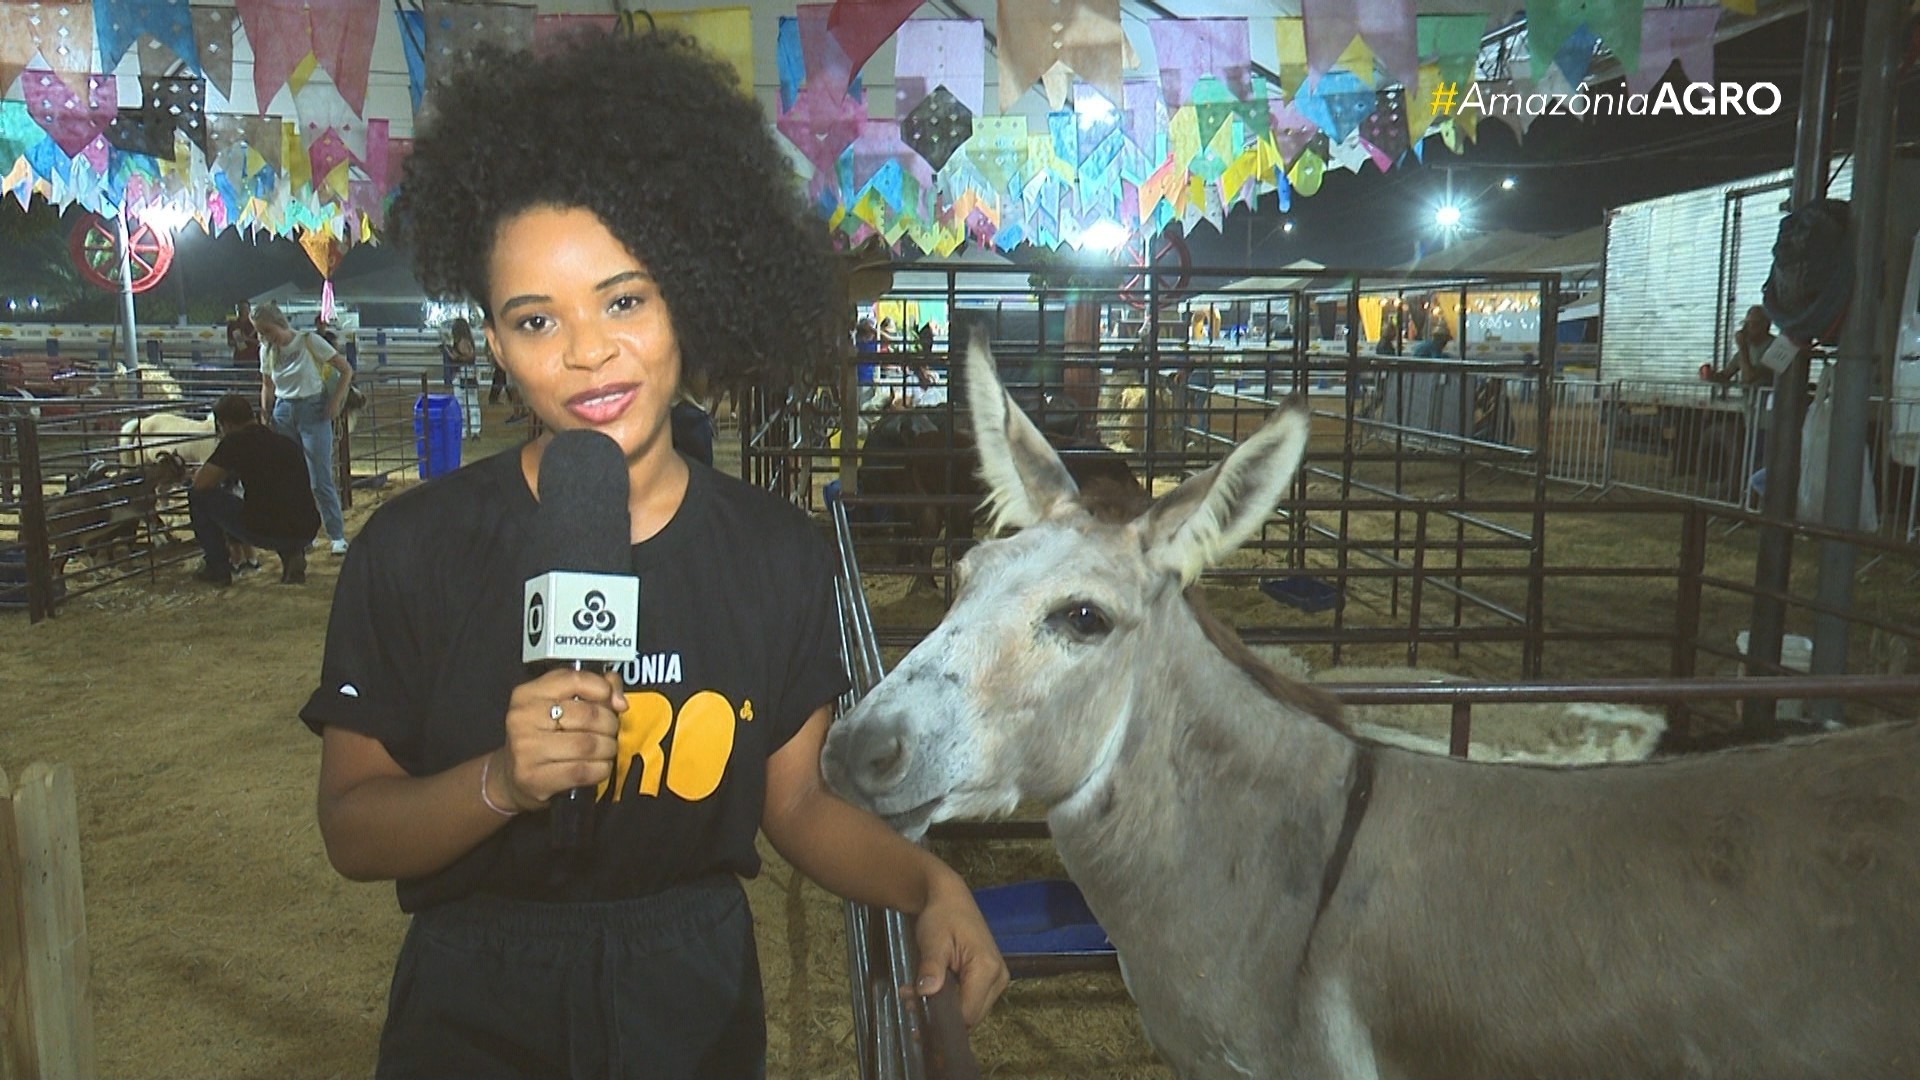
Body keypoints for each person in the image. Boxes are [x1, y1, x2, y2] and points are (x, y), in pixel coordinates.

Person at [303, 29, 1008, 1079]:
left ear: (691, 296)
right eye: (536, 319)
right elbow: (354, 830)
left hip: (693, 994)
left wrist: (929, 887)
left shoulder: (778, 557)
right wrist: (499, 781)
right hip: (471, 998)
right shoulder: (414, 549)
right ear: (494, 342)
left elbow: (799, 806)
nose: (587, 351)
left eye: (624, 299)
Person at [188, 394, 321, 585]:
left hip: (266, 529)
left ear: (225, 424)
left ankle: (217, 568)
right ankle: (292, 554)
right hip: (307, 527)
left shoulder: (234, 442)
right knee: (279, 502)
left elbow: (201, 483)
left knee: (198, 497)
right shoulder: (285, 442)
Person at [255, 301, 352, 555]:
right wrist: (266, 411)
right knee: (294, 477)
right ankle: (303, 534)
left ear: (278, 323)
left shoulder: (309, 341)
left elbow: (345, 370)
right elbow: (267, 384)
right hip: (283, 411)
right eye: (261, 332)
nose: (264, 336)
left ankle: (336, 535)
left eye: (266, 330)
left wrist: (335, 402)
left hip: (313, 409)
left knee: (320, 476)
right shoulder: (266, 350)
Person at [1707, 305, 1776, 387]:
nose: (1747, 329)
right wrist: (1710, 376)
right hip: (1748, 399)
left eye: (1753, 324)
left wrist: (1742, 347)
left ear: (1766, 325)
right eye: (1746, 324)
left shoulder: (1776, 346)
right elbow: (1725, 375)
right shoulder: (1747, 348)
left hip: (1770, 398)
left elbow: (1749, 378)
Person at [443, 317, 483, 441]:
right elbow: (470, 355)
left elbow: (468, 356)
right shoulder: (467, 341)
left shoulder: (461, 341)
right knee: (471, 403)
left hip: (462, 373)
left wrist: (454, 355)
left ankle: (465, 431)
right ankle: (473, 431)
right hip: (467, 373)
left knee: (464, 404)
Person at [226, 301, 259, 368]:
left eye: (245, 308)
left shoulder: (256, 325)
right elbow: (229, 342)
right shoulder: (233, 325)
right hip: (239, 359)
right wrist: (237, 341)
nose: (243, 310)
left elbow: (261, 342)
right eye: (241, 308)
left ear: (249, 310)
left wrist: (247, 338)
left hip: (253, 359)